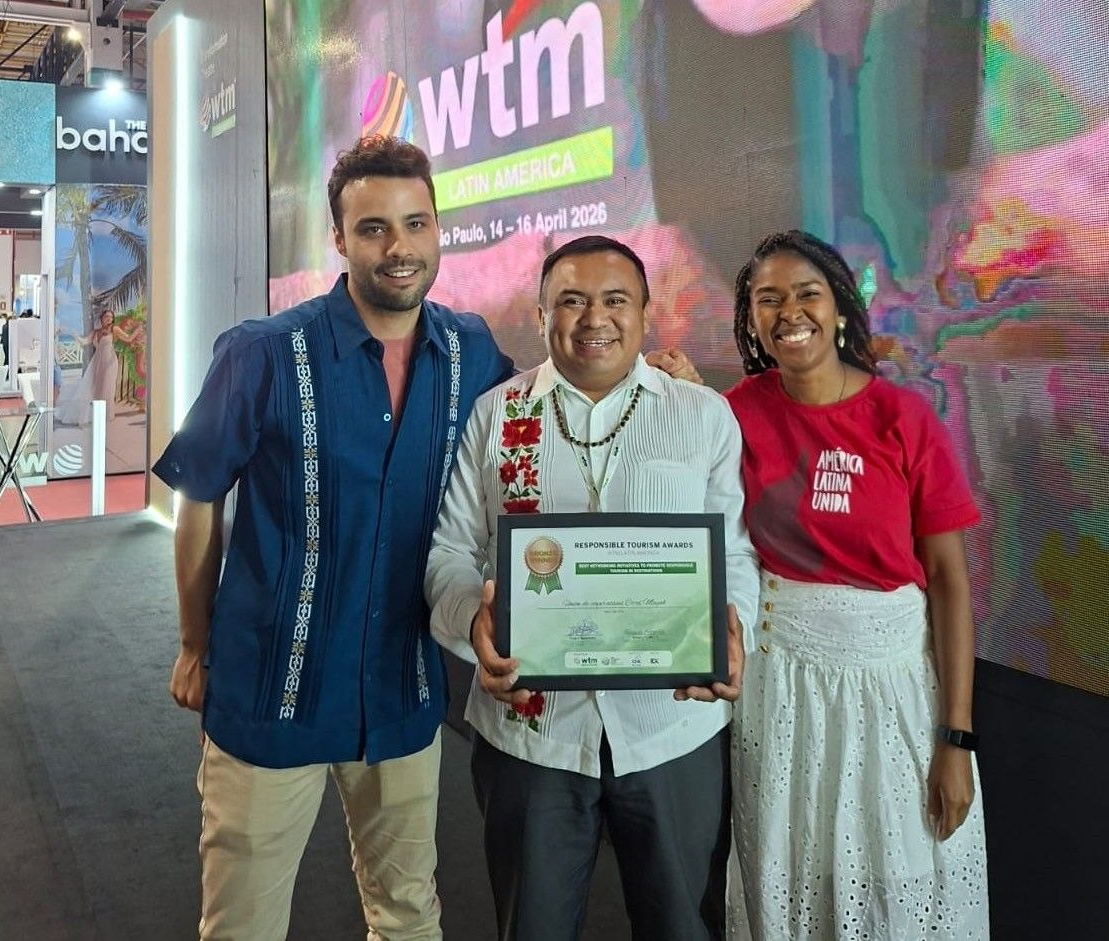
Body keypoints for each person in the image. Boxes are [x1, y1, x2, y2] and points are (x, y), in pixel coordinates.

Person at [152, 139, 699, 941]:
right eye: (373, 228)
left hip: (401, 693)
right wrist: (194, 644)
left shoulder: (469, 351)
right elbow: (199, 494)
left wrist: (652, 381)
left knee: (408, 915)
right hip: (274, 688)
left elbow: (547, 402)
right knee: (242, 926)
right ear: (339, 239)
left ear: (438, 228)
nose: (399, 247)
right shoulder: (263, 354)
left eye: (415, 224)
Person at [424, 235, 759, 941]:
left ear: (645, 313)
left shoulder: (701, 414)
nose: (594, 318)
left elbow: (733, 551)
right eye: (571, 301)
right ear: (541, 316)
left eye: (614, 300)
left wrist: (735, 633)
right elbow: (452, 550)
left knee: (682, 927)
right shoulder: (497, 414)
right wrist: (473, 623)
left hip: (671, 729)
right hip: (532, 732)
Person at [724, 230, 990, 938]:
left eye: (806, 293)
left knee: (898, 881)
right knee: (792, 877)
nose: (789, 312)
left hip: (891, 692)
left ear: (839, 307)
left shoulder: (903, 419)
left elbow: (949, 582)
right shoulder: (736, 412)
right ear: (751, 318)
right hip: (781, 691)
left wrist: (956, 738)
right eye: (768, 299)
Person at [54, 309, 139, 425]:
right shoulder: (96, 331)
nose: (109, 319)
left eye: (111, 317)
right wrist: (74, 334)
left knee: (106, 387)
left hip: (109, 362)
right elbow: (84, 342)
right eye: (106, 316)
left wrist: (137, 331)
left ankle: (107, 414)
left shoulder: (114, 329)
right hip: (97, 362)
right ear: (102, 318)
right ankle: (96, 413)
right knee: (94, 387)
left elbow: (128, 339)